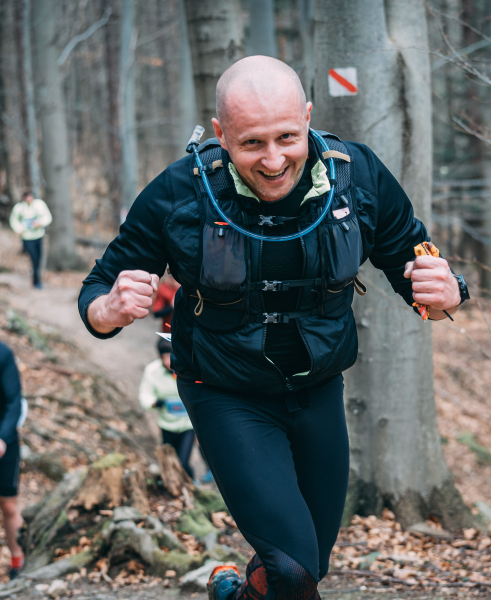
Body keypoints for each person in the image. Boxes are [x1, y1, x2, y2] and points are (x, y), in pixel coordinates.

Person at [78, 56, 469, 600]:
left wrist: (449, 291)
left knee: (310, 564)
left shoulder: (355, 176)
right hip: (223, 391)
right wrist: (110, 309)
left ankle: (232, 593)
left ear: (307, 117)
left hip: (318, 389)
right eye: (251, 143)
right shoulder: (182, 193)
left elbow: (415, 261)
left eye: (287, 137)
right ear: (220, 135)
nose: (273, 159)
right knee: (291, 569)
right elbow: (97, 288)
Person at [139, 339, 199, 480]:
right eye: (163, 357)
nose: (167, 361)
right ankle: (175, 484)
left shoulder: (189, 366)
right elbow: (144, 394)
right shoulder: (152, 371)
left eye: (169, 356)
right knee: (169, 461)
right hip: (167, 424)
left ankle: (191, 483)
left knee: (182, 463)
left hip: (187, 425)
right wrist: (156, 403)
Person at [0, 342, 25, 580]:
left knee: (8, 504)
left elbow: (14, 402)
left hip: (4, 441)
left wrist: (2, 438)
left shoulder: (3, 354)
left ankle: (18, 559)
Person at [9, 191, 53, 289]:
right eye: (27, 197)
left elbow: (47, 217)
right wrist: (19, 229)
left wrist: (39, 223)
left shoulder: (39, 205)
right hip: (26, 237)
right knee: (33, 258)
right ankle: (35, 279)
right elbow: (13, 220)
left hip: (38, 236)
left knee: (38, 259)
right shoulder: (19, 208)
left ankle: (36, 279)